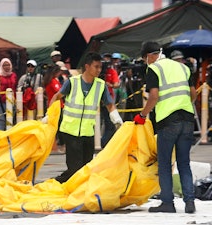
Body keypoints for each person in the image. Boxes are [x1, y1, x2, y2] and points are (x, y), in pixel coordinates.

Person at [134, 42, 197, 214]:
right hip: (187, 119)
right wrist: (182, 106)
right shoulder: (183, 68)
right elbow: (193, 94)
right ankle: (189, 202)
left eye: (145, 59)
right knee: (184, 163)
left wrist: (142, 115)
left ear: (149, 55)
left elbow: (153, 96)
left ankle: (167, 203)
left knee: (164, 163)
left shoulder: (154, 69)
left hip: (168, 122)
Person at [50, 52, 123, 183]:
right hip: (70, 131)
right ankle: (64, 188)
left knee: (86, 168)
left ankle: (62, 184)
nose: (99, 70)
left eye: (100, 67)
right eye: (96, 67)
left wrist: (116, 119)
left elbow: (110, 104)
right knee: (75, 169)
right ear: (87, 66)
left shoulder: (101, 85)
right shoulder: (72, 82)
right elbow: (56, 96)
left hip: (88, 132)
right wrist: (49, 115)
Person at [100, 53, 120, 148]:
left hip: (107, 101)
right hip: (96, 102)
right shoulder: (96, 73)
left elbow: (116, 84)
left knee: (110, 125)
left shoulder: (111, 71)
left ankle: (104, 144)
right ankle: (103, 144)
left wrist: (108, 84)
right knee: (103, 124)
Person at [0, 58, 17, 130]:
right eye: (5, 65)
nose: (7, 67)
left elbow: (15, 87)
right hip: (0, 102)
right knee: (1, 122)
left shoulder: (13, 75)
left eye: (8, 65)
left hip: (12, 101)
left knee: (11, 121)